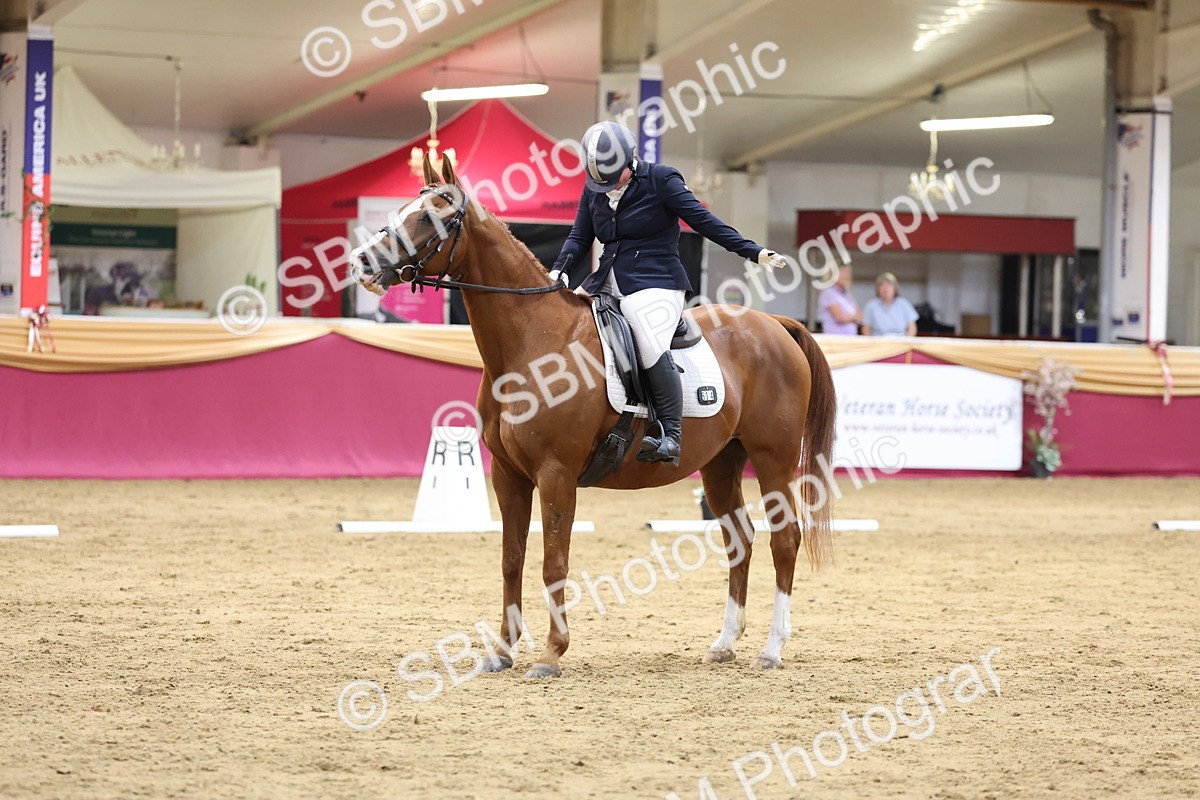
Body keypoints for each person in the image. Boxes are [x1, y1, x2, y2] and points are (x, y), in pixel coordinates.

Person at [551, 121, 786, 467]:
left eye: (612, 177)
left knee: (647, 339)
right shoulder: (595, 189)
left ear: (630, 161)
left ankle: (670, 434)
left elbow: (704, 221)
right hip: (605, 280)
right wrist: (559, 268)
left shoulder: (661, 180)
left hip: (656, 282)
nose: (605, 187)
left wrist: (753, 251)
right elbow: (579, 236)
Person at [861, 272, 919, 336]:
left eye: (889, 284)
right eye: (882, 285)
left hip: (900, 341)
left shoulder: (904, 304)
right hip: (878, 342)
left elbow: (912, 328)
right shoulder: (871, 305)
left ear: (895, 288)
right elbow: (866, 329)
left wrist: (907, 342)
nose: (885, 288)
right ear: (878, 289)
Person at [818, 264, 860, 335]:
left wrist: (850, 317)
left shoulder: (847, 294)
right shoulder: (828, 293)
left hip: (850, 338)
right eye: (843, 273)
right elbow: (840, 317)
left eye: (848, 273)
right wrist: (853, 317)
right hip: (835, 338)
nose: (847, 276)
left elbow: (859, 316)